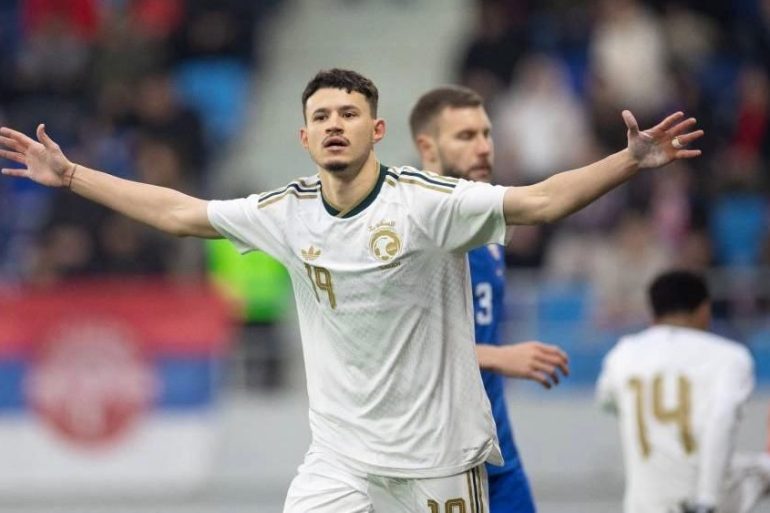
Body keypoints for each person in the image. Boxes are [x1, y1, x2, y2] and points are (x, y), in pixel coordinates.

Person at [1, 68, 703, 512]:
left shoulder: (426, 203)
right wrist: (73, 176)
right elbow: (181, 213)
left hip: (438, 455)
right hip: (341, 459)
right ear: (305, 137)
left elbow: (541, 202)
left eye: (348, 113)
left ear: (377, 129)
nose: (334, 124)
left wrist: (630, 161)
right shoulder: (286, 211)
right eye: (321, 117)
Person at [409, 85, 569, 513]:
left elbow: (552, 198)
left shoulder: (490, 224)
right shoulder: (406, 229)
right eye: (465, 136)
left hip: (497, 445)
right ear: (428, 147)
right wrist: (498, 356)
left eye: (486, 133)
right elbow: (401, 348)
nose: (483, 147)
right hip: (432, 453)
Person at [597, 270, 770, 513]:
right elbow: (722, 420)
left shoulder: (623, 354)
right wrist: (707, 499)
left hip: (645, 505)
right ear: (705, 310)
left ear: (652, 314)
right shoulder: (730, 357)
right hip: (707, 495)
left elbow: (606, 401)